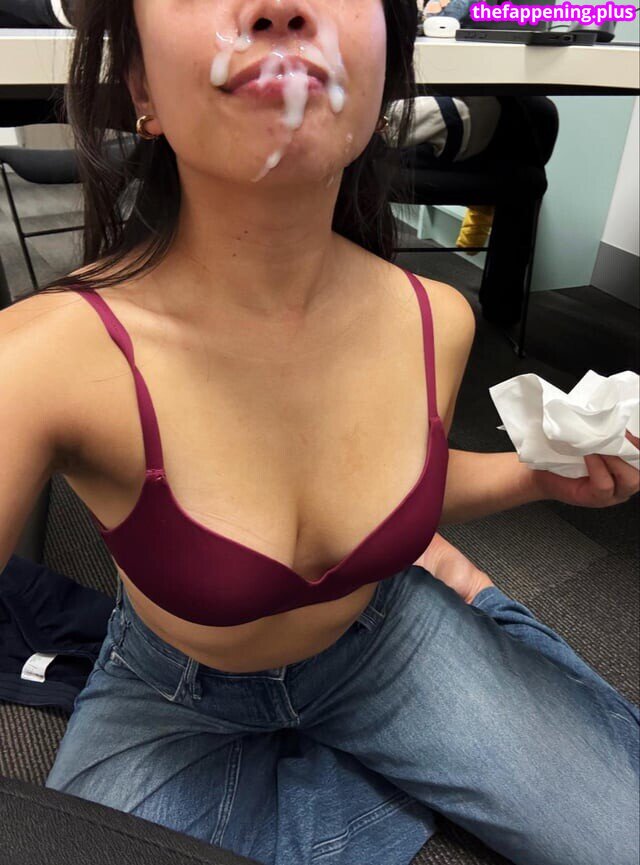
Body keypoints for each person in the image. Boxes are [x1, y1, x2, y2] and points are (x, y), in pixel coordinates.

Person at [0, 2, 638, 865]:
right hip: (171, 694)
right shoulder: (43, 357)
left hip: (383, 640)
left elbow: (404, 475)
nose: (279, 5)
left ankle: (452, 589)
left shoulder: (436, 319)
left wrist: (534, 478)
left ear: (386, 74)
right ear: (142, 88)